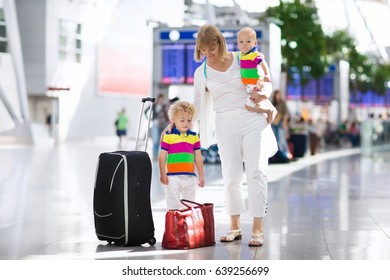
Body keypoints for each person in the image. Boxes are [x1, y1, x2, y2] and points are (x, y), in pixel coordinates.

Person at [192, 24, 277, 247]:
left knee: (256, 172)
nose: (209, 53)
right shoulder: (201, 73)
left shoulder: (244, 57)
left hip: (252, 118)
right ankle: (234, 226)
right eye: (204, 50)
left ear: (220, 43)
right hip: (224, 122)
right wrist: (180, 124)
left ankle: (257, 228)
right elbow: (198, 105)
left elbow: (267, 82)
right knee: (230, 176)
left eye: (212, 48)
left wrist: (262, 94)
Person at [158, 100, 205, 210]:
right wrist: (162, 173)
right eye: (182, 120)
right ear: (173, 120)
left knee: (189, 207)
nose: (186, 123)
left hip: (190, 177)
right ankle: (173, 227)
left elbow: (198, 157)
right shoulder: (168, 136)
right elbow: (162, 156)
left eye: (189, 120)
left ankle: (186, 227)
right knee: (173, 207)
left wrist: (201, 175)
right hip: (172, 177)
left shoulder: (194, 136)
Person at [237, 26, 276, 123]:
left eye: (248, 41)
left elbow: (263, 64)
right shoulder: (241, 55)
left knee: (251, 103)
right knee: (249, 106)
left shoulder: (254, 54)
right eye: (241, 42)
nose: (244, 44)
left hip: (256, 83)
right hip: (249, 85)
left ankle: (265, 100)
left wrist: (267, 75)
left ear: (255, 43)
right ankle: (268, 110)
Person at [145, 94, 169, 159]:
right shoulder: (154, 105)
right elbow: (146, 111)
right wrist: (149, 118)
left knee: (162, 139)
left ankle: (161, 154)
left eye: (163, 99)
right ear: (158, 98)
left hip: (163, 124)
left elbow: (166, 114)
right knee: (155, 139)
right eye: (161, 98)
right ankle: (155, 154)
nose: (162, 100)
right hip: (156, 124)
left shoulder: (164, 106)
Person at [271, 90, 291, 160]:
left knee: (282, 139)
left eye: (278, 95)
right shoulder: (273, 103)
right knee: (276, 140)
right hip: (274, 123)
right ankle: (278, 155)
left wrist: (284, 123)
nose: (277, 96)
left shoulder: (282, 103)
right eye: (276, 95)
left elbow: (286, 114)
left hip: (281, 123)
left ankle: (286, 154)